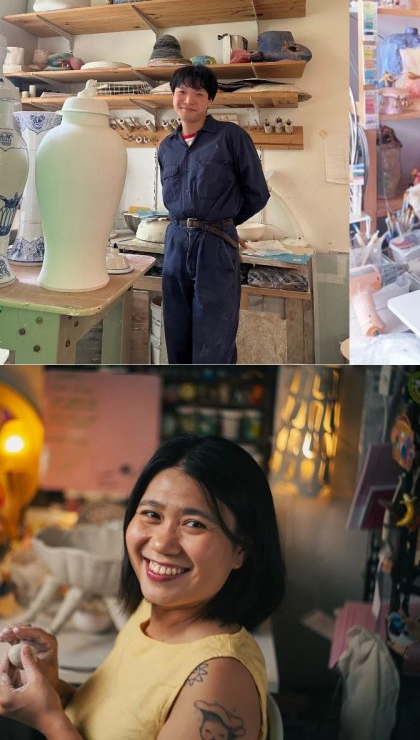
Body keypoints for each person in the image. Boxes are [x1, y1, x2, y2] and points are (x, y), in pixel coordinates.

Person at [0, 435, 286, 740]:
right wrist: (52, 688)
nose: (162, 543)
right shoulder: (150, 612)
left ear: (241, 549)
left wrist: (48, 718)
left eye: (194, 524)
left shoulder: (220, 679)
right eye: (152, 514)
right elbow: (111, 723)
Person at [158, 65, 270, 364]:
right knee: (177, 332)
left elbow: (257, 192)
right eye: (182, 91)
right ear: (173, 96)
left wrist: (225, 224)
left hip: (215, 246)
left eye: (198, 93)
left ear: (210, 100)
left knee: (214, 337)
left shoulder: (231, 137)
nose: (188, 100)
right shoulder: (166, 147)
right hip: (176, 243)